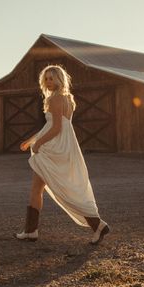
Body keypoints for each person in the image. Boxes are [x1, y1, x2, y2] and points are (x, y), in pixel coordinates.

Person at [15, 65, 109, 244]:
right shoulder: (67, 99)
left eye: (52, 78)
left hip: (53, 148)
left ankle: (98, 225)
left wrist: (39, 144)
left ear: (60, 79)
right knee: (42, 188)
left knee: (60, 189)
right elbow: (51, 126)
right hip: (62, 146)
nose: (49, 82)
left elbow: (56, 127)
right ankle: (31, 231)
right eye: (46, 79)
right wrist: (31, 140)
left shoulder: (55, 99)